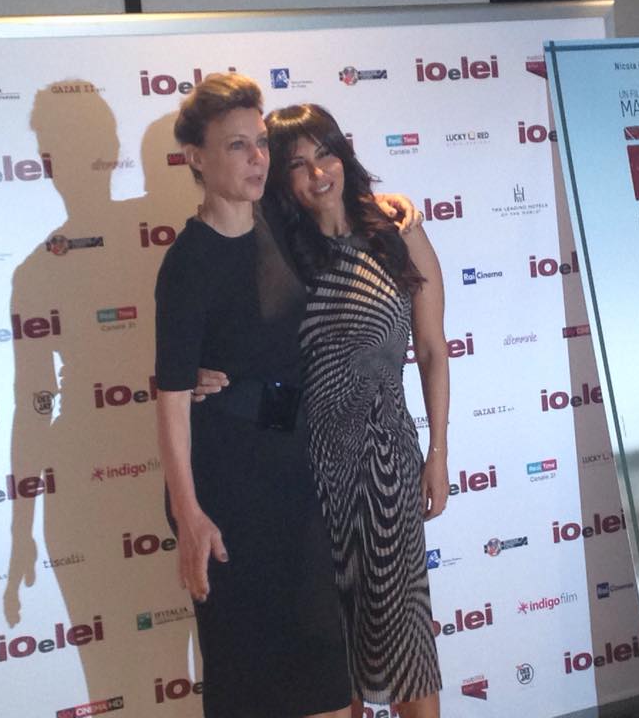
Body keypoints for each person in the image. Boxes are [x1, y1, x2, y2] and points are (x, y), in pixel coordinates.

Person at [154, 73, 351, 718]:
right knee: (248, 675)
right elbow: (172, 399)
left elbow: (343, 204)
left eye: (260, 143)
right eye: (236, 146)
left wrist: (399, 208)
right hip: (229, 487)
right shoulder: (187, 263)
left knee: (324, 667)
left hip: (302, 475)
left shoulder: (282, 223)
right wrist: (188, 513)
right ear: (196, 158)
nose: (256, 158)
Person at [264, 103, 448, 718]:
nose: (318, 174)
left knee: (405, 643)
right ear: (281, 178)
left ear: (344, 155)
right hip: (308, 475)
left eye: (326, 155)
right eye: (298, 164)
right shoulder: (277, 252)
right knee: (330, 651)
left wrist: (438, 453)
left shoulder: (396, 232)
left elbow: (432, 350)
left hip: (387, 461)